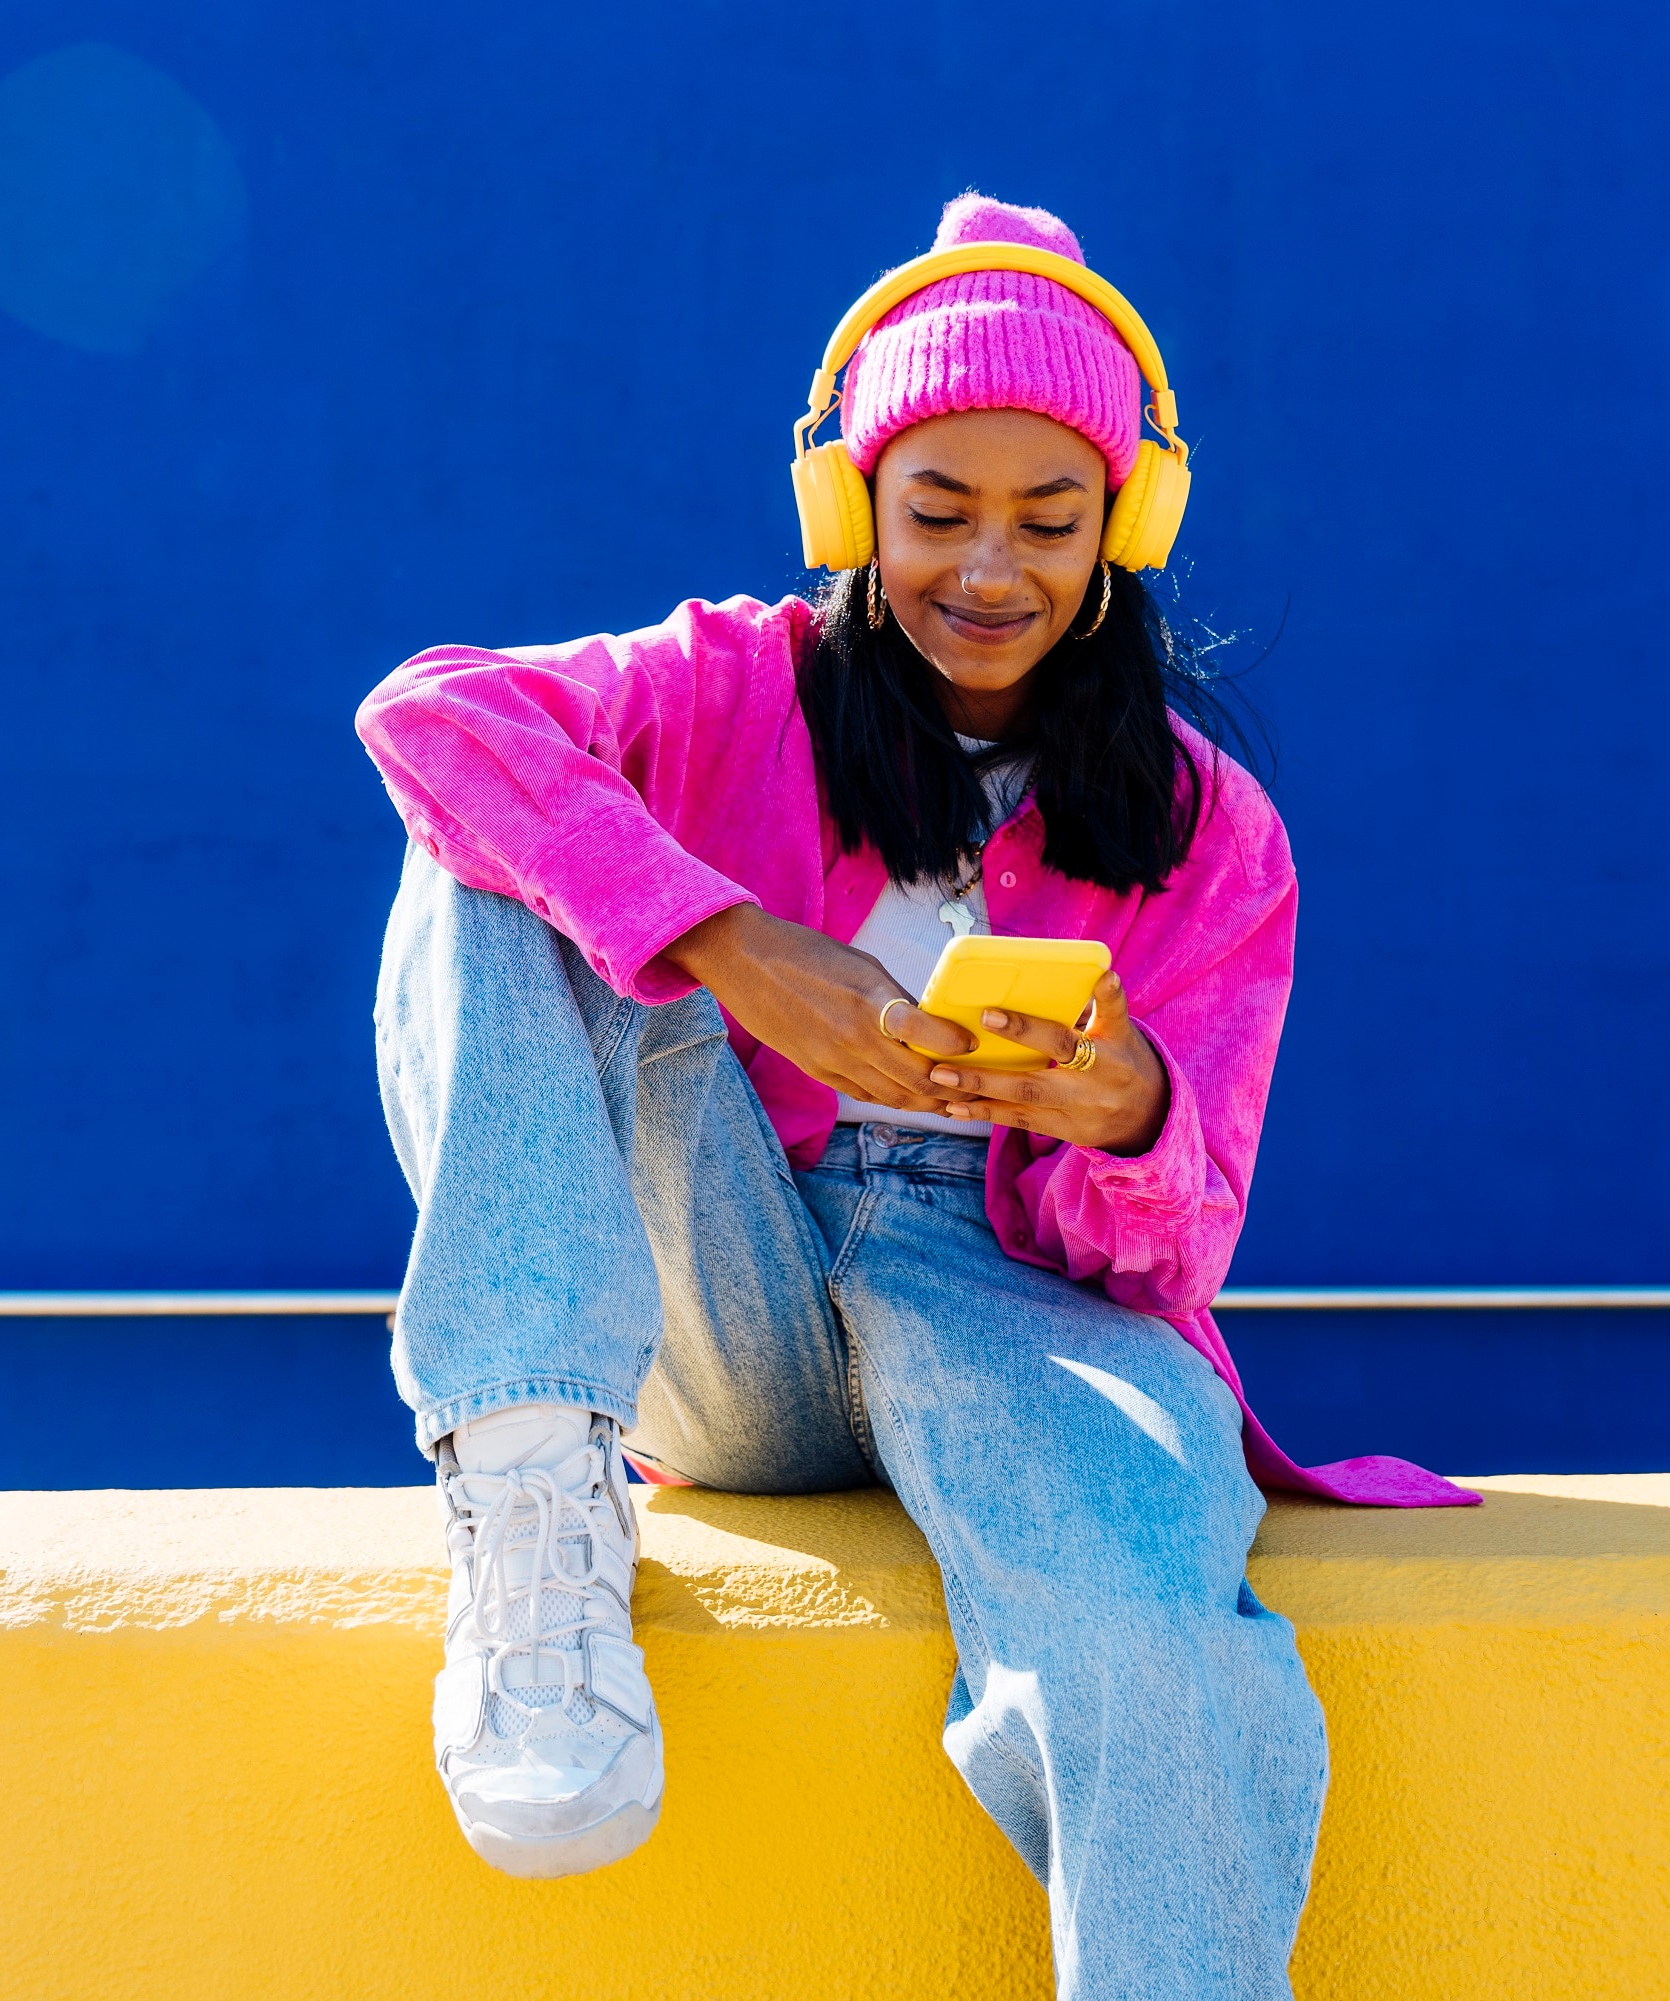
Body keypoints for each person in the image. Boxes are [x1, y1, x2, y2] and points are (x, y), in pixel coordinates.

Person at [356, 193, 1471, 1999]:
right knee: (489, 848)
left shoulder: (1214, 831)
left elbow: (1179, 1250)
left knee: (1149, 1642)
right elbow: (432, 716)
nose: (990, 567)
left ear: (1127, 523)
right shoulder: (732, 686)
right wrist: (729, 943)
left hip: (1011, 1309)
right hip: (722, 1279)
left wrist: (1125, 1112)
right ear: (851, 505)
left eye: (1051, 517)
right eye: (938, 510)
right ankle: (531, 1509)